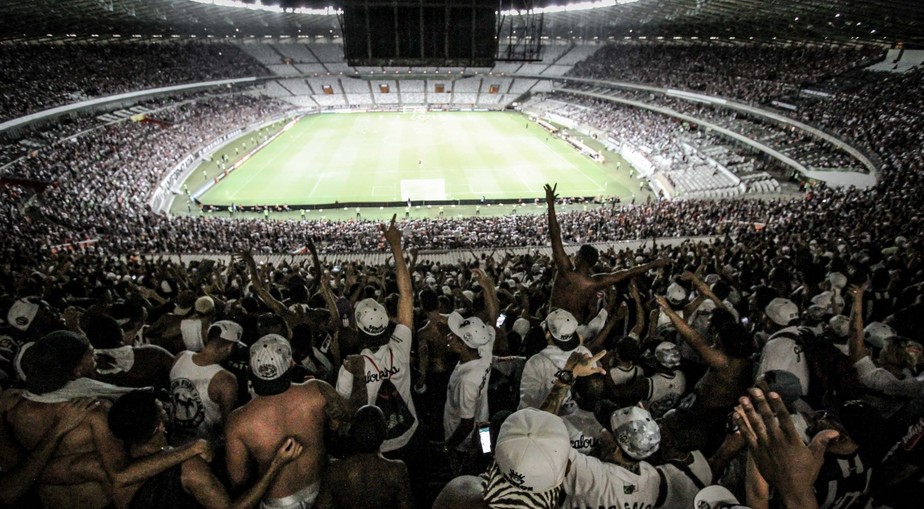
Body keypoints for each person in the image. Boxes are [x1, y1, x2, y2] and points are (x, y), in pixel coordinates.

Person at [226, 334, 367, 509]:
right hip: (322, 490)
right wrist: (360, 372)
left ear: (251, 371)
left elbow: (239, 480)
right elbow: (357, 412)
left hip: (278, 500)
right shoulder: (316, 391)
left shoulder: (237, 421)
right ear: (291, 363)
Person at [108, 390, 304, 509]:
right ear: (159, 426)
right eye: (163, 409)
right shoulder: (190, 469)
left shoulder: (121, 461)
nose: (168, 407)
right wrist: (276, 464)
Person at [544, 183, 668, 324]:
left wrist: (550, 205)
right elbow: (628, 272)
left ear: (578, 258)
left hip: (551, 325)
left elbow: (555, 236)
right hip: (573, 329)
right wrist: (654, 263)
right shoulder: (594, 282)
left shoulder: (565, 270)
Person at [315, 405, 412, 509]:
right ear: (384, 434)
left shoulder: (335, 469)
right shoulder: (396, 470)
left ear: (352, 432)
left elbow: (322, 506)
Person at [168, 320, 243, 443]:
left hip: (175, 440)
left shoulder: (180, 357)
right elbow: (228, 426)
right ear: (229, 347)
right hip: (205, 448)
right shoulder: (225, 380)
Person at [518, 308, 596, 412]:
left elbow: (527, 407)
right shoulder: (585, 354)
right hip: (577, 419)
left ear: (547, 333)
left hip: (546, 423)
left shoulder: (535, 363)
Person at [443, 312, 494, 461]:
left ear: (461, 346)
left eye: (453, 336)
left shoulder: (467, 382)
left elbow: (466, 425)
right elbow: (493, 317)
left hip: (464, 441)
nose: (448, 337)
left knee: (467, 467)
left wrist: (447, 446)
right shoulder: (485, 350)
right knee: (487, 454)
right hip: (484, 421)